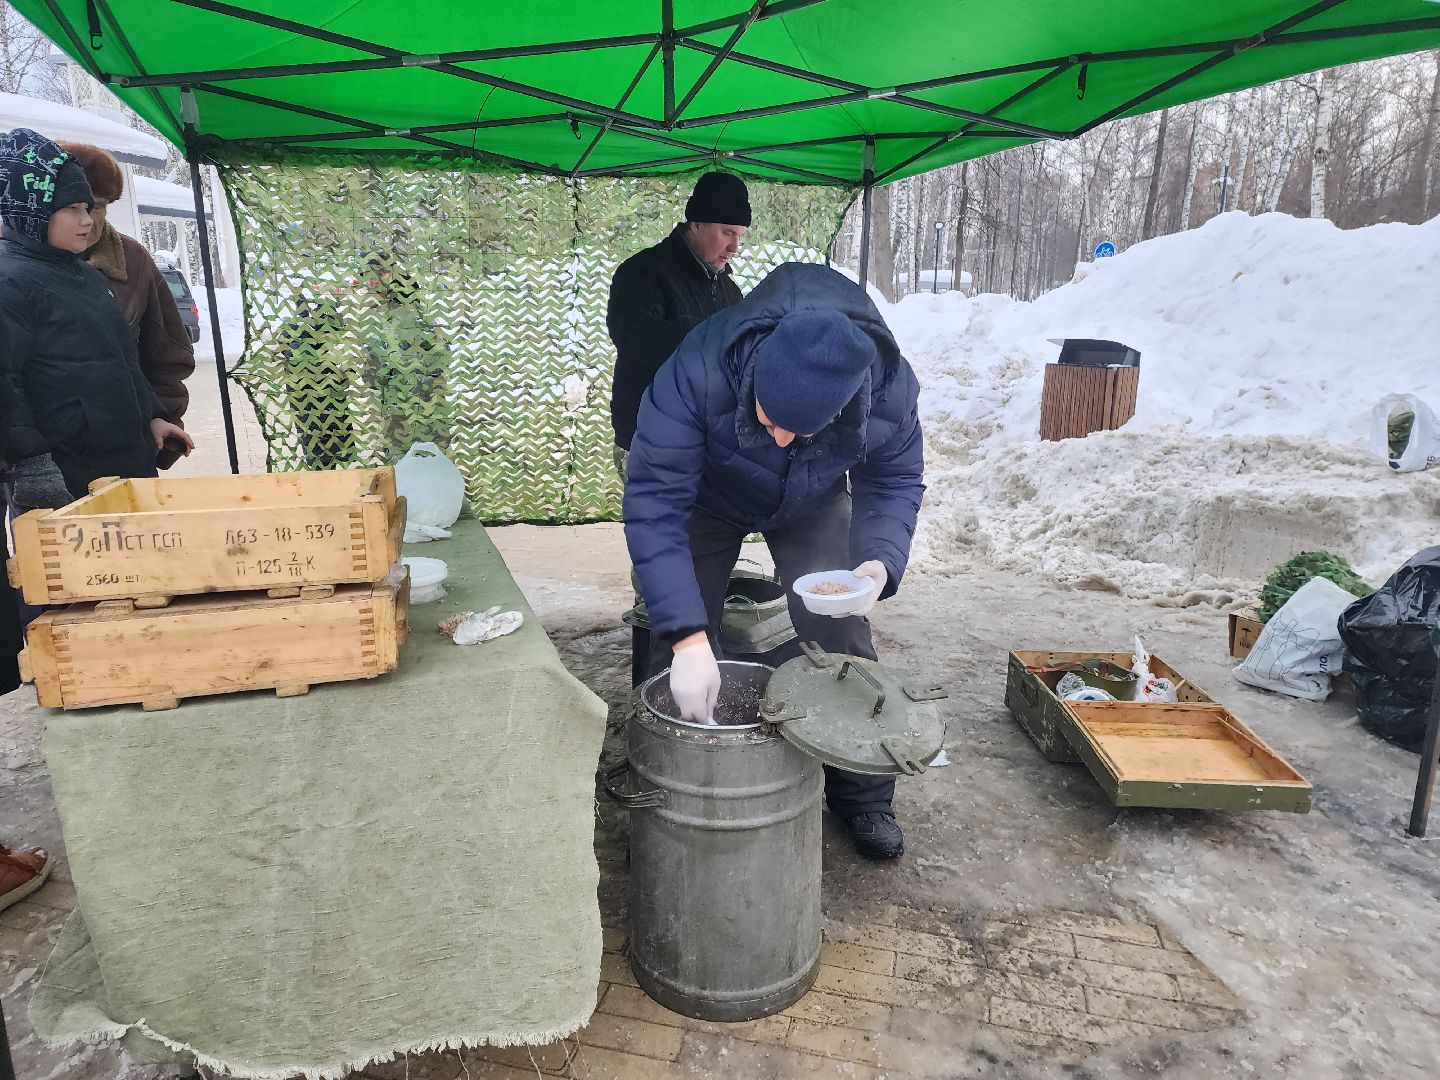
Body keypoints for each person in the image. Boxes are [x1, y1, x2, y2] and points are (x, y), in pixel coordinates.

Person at [623, 262, 926, 860]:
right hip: (707, 497)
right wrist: (688, 639)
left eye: (799, 430)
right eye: (769, 420)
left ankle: (862, 796)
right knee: (675, 631)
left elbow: (893, 476)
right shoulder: (697, 369)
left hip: (811, 499)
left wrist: (878, 562)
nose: (780, 438)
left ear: (845, 404)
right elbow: (655, 503)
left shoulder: (886, 385)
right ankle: (662, 792)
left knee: (841, 638)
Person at [0, 128, 192, 518]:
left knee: (145, 570)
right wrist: (34, 465)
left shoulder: (85, 276)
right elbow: (5, 384)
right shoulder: (10, 281)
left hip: (123, 462)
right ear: (31, 209)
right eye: (72, 209)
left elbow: (120, 360)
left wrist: (152, 417)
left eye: (91, 208)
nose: (89, 221)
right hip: (63, 475)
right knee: (77, 578)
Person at [57, 142, 197, 470]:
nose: (88, 220)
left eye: (98, 207)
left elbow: (168, 355)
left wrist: (160, 419)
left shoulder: (132, 260)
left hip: (125, 447)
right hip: (46, 458)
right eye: (74, 207)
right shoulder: (17, 267)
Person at [606, 170, 751, 478]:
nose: (735, 247)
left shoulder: (729, 291)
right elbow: (637, 342)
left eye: (740, 236)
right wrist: (718, 338)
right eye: (727, 233)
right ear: (697, 223)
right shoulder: (642, 274)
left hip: (709, 444)